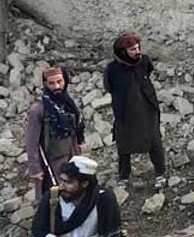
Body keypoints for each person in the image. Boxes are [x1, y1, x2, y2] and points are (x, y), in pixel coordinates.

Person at [104, 33, 166, 189]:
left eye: (138, 48)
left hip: (147, 109)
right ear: (123, 52)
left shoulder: (143, 61)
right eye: (132, 49)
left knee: (154, 141)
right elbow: (108, 86)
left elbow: (148, 71)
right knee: (124, 144)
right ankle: (123, 176)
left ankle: (160, 173)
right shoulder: (112, 69)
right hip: (124, 112)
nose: (137, 52)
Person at [26, 66, 85, 202]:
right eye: (51, 83)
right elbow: (31, 143)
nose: (56, 86)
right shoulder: (38, 110)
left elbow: (75, 130)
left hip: (71, 156)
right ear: (45, 84)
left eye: (59, 81)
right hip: (51, 163)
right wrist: (35, 169)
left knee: (74, 195)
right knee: (53, 199)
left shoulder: (68, 105)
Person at [32, 156, 123, 237]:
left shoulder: (103, 198)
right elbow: (38, 229)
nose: (61, 186)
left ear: (84, 183)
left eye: (68, 182)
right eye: (61, 180)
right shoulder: (52, 196)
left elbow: (112, 232)